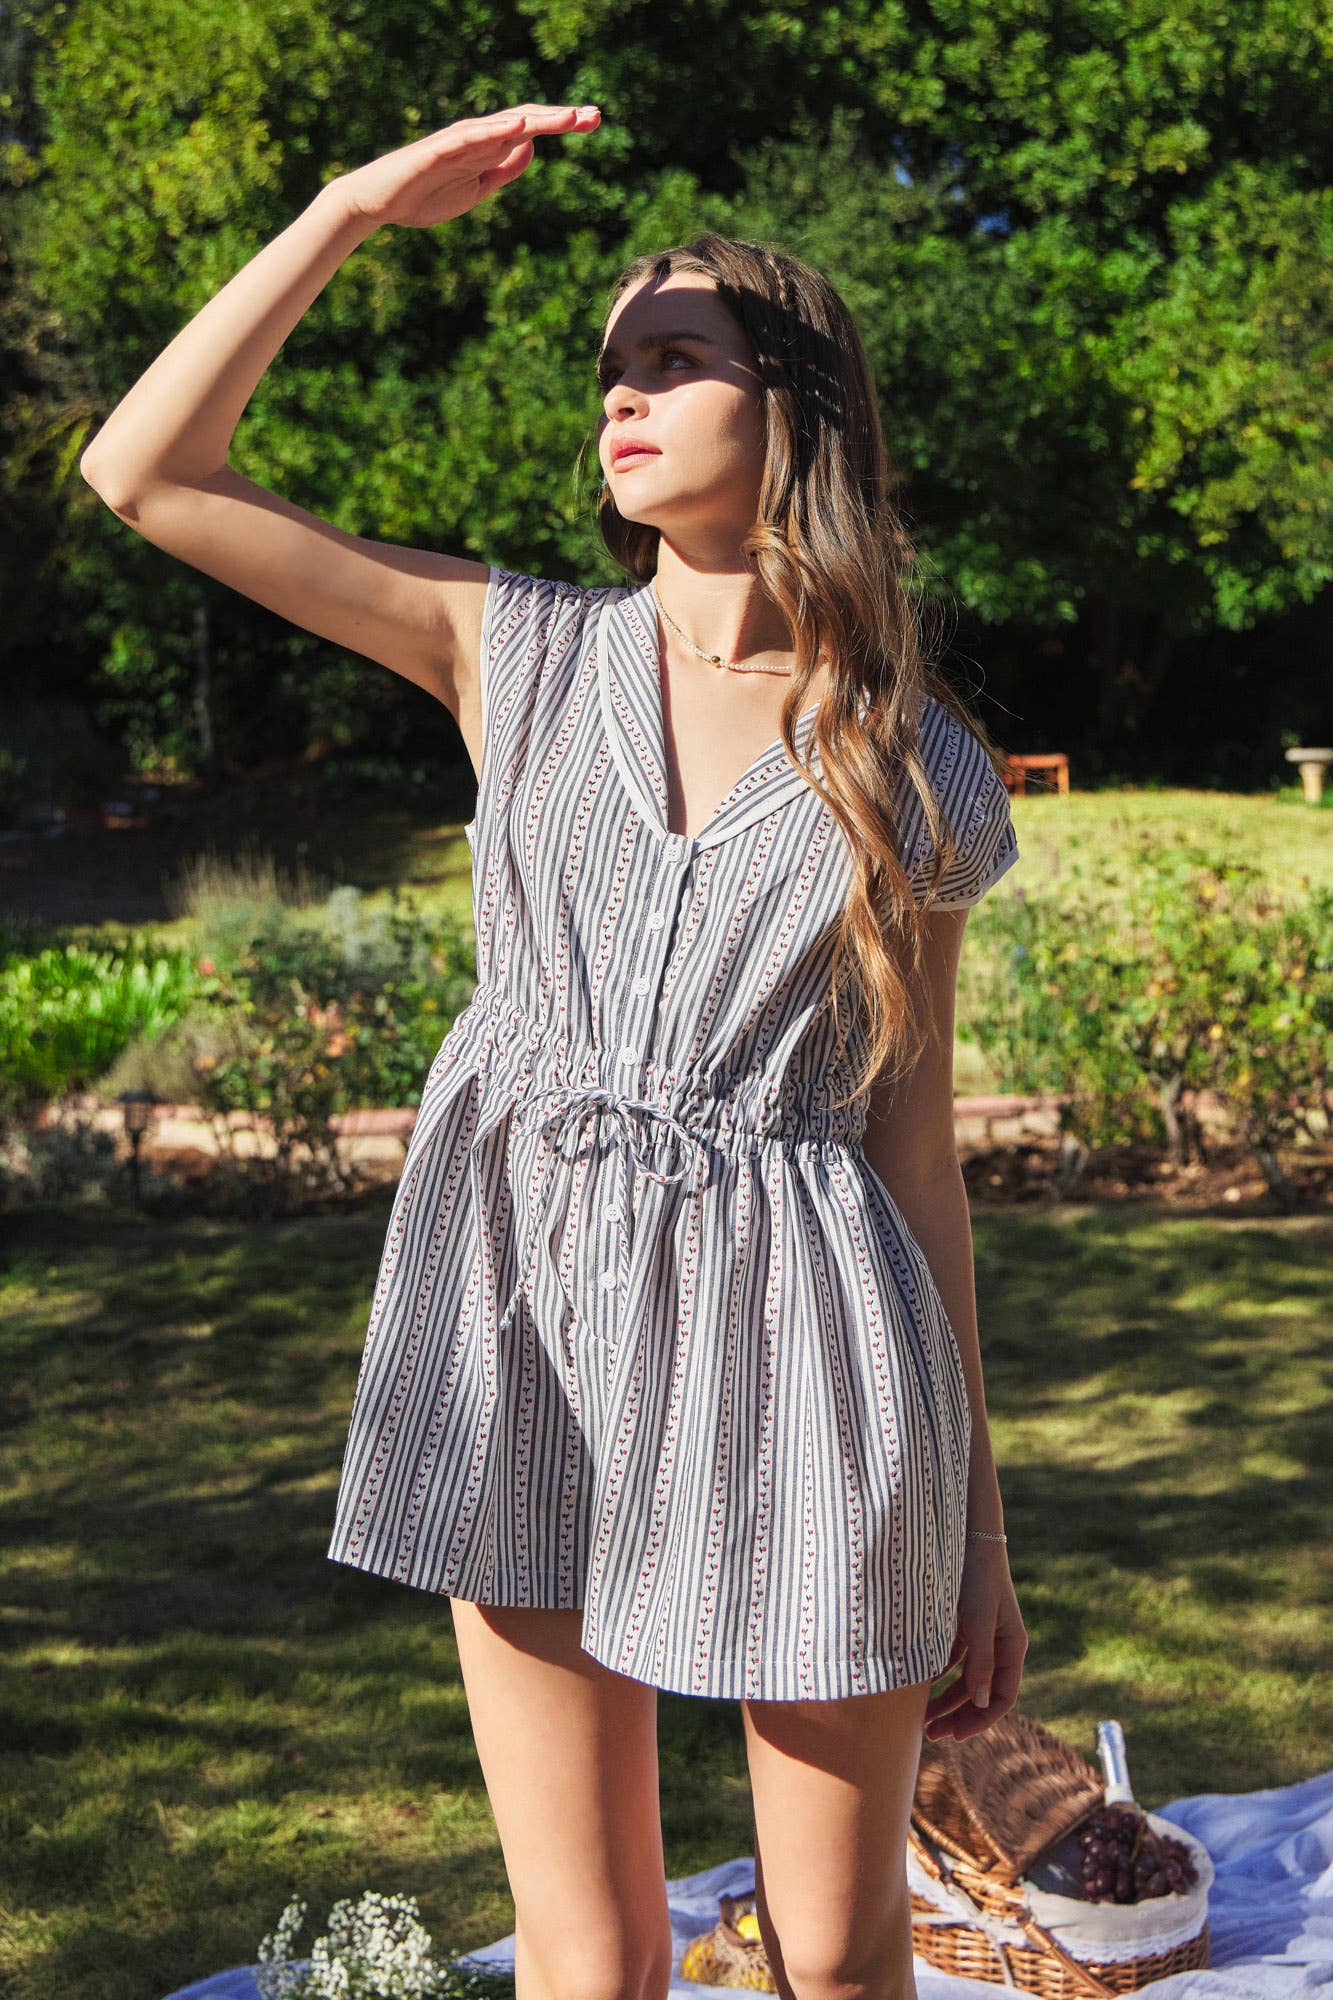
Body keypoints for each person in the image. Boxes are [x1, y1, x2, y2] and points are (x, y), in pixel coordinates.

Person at [81, 104, 1029, 2000]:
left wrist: (978, 1534)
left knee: (838, 1955)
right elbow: (146, 472)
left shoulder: (907, 761)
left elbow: (914, 1160)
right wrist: (350, 208)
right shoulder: (506, 653)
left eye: (673, 358)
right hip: (521, 1316)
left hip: (810, 1352)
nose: (622, 394)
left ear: (794, 408)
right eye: (612, 365)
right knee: (586, 1959)